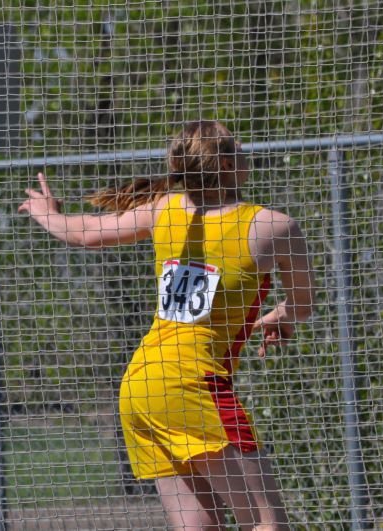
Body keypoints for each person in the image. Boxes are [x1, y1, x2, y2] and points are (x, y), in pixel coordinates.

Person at [18, 120, 315, 530]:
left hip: (142, 388)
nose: (245, 145)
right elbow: (302, 305)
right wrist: (279, 317)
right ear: (227, 164)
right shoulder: (273, 226)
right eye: (236, 142)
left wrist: (46, 214)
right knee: (267, 524)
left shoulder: (166, 208)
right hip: (195, 390)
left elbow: (86, 232)